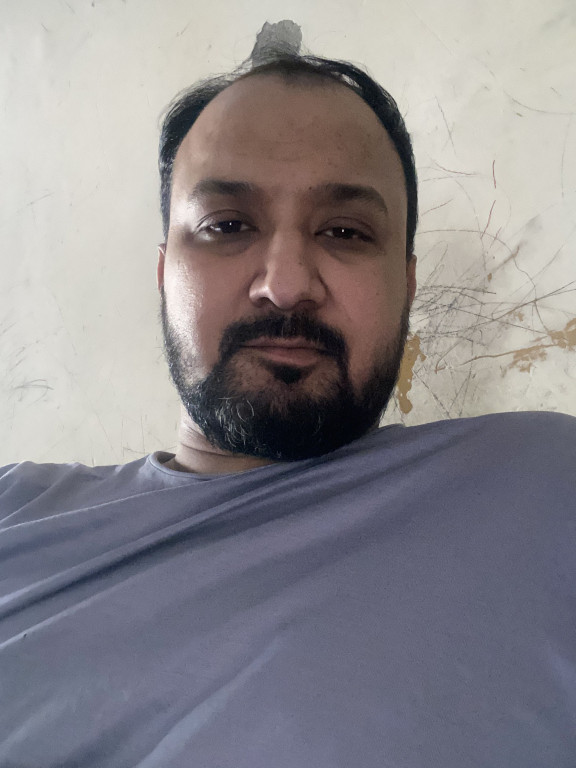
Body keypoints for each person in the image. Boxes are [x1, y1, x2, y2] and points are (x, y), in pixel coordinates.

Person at [0, 49, 574, 768]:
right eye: (227, 225)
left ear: (406, 285)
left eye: (345, 232)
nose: (287, 284)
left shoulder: (547, 488)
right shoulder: (15, 514)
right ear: (164, 272)